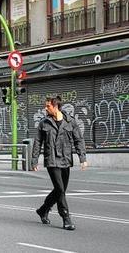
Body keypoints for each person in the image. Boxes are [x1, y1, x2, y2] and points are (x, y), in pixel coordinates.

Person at [32, 96, 87, 231]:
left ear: (56, 106)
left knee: (59, 190)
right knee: (60, 190)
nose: (45, 108)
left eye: (48, 106)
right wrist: (34, 160)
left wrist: (82, 158)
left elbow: (78, 140)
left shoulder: (70, 122)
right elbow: (37, 142)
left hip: (65, 160)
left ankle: (43, 210)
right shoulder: (44, 123)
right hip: (51, 160)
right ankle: (66, 218)